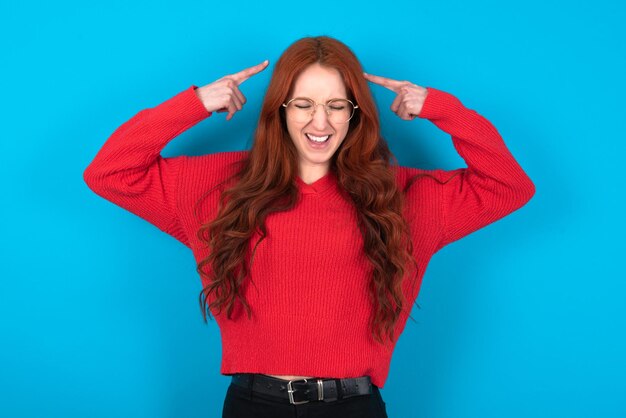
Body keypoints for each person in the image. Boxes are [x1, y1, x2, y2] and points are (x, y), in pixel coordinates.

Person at [83, 36, 535, 417]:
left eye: (337, 105)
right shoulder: (217, 186)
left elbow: (508, 186)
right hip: (252, 404)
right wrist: (195, 102)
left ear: (355, 113)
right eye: (303, 104)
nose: (320, 122)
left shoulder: (404, 197)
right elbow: (109, 172)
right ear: (279, 109)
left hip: (353, 406)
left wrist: (441, 108)